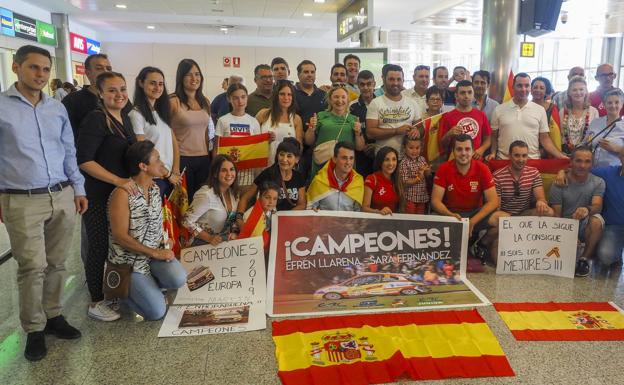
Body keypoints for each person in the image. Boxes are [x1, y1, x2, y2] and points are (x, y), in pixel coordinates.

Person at [0, 45, 87, 362]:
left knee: (57, 262)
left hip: (61, 193)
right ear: (16, 67)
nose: (40, 74)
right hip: (22, 198)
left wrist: (78, 188)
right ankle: (34, 329)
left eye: (45, 69)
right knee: (32, 266)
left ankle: (53, 315)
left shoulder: (56, 109)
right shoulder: (2, 107)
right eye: (33, 68)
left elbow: (68, 151)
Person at [77, 72, 137, 322]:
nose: (119, 94)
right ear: (100, 93)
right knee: (98, 247)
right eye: (112, 90)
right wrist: (117, 181)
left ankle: (113, 291)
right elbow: (85, 161)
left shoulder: (123, 118)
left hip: (120, 196)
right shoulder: (96, 119)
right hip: (99, 195)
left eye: (122, 89)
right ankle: (96, 300)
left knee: (117, 246)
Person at [108, 141, 186, 320]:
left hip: (150, 257)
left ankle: (150, 286)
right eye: (157, 159)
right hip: (129, 265)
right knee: (157, 312)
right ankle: (122, 294)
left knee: (179, 278)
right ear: (143, 166)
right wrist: (155, 253)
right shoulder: (122, 194)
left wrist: (164, 242)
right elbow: (120, 236)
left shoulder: (155, 189)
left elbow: (156, 225)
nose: (162, 163)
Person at [486, 141, 555, 264]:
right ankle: (488, 242)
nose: (521, 159)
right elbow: (497, 209)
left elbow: (541, 198)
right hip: (505, 220)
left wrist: (541, 202)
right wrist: (510, 225)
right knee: (500, 262)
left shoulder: (534, 173)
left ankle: (537, 244)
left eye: (524, 156)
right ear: (509, 156)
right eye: (517, 155)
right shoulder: (497, 176)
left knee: (548, 211)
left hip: (524, 217)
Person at [431, 134, 499, 241]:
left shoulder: (483, 168)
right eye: (459, 149)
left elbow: (494, 201)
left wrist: (472, 222)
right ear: (453, 151)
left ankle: (480, 245)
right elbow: (435, 201)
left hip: (475, 215)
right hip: (452, 215)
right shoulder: (443, 168)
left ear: (472, 151)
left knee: (502, 219)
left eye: (467, 149)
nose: (463, 153)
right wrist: (450, 215)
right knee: (428, 221)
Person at [549, 146, 605, 277]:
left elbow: (597, 206)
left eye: (587, 161)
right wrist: (568, 235)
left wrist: (587, 209)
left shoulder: (598, 182)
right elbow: (556, 216)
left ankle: (584, 259)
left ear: (592, 163)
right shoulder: (559, 182)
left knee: (597, 220)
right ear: (571, 162)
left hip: (584, 225)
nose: (582, 165)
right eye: (578, 161)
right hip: (563, 226)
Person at [129, 66, 181, 199]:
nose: (157, 88)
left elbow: (172, 141)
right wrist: (167, 174)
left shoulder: (160, 112)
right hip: (154, 178)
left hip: (168, 177)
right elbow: (142, 152)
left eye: (160, 84)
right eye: (152, 83)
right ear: (141, 83)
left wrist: (175, 170)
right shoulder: (136, 114)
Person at [489, 73, 567, 160]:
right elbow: (493, 136)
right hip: (504, 161)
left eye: (527, 86)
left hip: (532, 162)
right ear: (513, 87)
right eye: (519, 86)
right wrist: (493, 152)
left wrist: (560, 156)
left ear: (530, 88)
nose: (523, 89)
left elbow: (544, 138)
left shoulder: (540, 110)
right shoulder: (498, 110)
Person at [169, 58, 213, 201]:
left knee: (201, 202)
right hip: (182, 159)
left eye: (197, 74)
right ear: (181, 77)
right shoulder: (173, 101)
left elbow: (207, 132)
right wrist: (174, 167)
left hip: (204, 159)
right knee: (184, 204)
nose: (194, 78)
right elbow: (166, 133)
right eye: (189, 74)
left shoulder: (205, 101)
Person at [305, 84, 365, 176]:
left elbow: (360, 147)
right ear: (330, 99)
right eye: (336, 97)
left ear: (347, 100)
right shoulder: (320, 116)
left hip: (346, 166)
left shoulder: (354, 119)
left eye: (343, 97)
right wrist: (311, 129)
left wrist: (358, 133)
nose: (340, 100)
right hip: (323, 164)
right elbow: (309, 142)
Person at [183, 155, 240, 246]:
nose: (229, 174)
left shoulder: (234, 194)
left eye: (232, 169)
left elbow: (231, 219)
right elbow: (186, 221)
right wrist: (209, 238)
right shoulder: (206, 194)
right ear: (215, 174)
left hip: (223, 243)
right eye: (224, 170)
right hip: (201, 244)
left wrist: (234, 233)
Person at [237, 138, 306, 214]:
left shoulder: (299, 177)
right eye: (281, 154)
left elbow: (302, 204)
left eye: (289, 156)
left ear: (297, 159)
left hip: (289, 221)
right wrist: (239, 218)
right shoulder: (267, 174)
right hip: (268, 221)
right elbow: (246, 198)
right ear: (277, 156)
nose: (284, 159)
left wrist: (284, 217)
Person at [214, 83, 262, 190]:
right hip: (227, 172)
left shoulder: (253, 121)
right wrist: (216, 169)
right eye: (235, 98)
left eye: (243, 97)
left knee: (244, 203)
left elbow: (257, 148)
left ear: (247, 98)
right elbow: (216, 148)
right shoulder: (223, 120)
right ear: (229, 99)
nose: (240, 101)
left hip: (247, 173)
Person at [366, 64, 420, 154]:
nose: (395, 83)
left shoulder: (412, 103)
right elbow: (370, 133)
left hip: (408, 158)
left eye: (399, 79)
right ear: (384, 80)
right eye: (391, 79)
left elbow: (420, 127)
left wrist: (416, 131)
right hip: (384, 159)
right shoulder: (375, 103)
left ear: (403, 80)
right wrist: (396, 131)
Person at [62, 53, 113, 138]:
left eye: (109, 68)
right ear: (88, 73)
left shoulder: (118, 98)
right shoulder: (72, 101)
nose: (105, 72)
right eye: (99, 68)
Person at [438, 80, 491, 160]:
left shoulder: (481, 115)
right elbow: (442, 144)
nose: (466, 96)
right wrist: (449, 134)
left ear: (473, 94)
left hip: (476, 160)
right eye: (462, 93)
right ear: (456, 96)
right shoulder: (447, 116)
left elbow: (488, 138)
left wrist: (481, 150)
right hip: (455, 161)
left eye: (469, 92)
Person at [257, 80, 304, 167]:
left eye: (289, 94)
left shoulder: (296, 119)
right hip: (264, 165)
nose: (286, 98)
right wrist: (264, 140)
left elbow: (299, 148)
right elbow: (251, 140)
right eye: (282, 94)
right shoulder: (263, 114)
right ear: (276, 96)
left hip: (287, 167)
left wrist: (290, 147)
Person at [307, 141, 364, 211]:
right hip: (324, 222)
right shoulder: (319, 181)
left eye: (351, 158)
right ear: (334, 159)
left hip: (348, 222)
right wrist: (313, 210)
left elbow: (358, 213)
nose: (348, 162)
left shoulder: (358, 182)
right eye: (344, 158)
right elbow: (310, 209)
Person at [294, 60, 327, 180]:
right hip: (300, 148)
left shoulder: (324, 95)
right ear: (298, 75)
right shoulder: (291, 94)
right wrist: (302, 135)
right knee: (300, 182)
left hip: (321, 147)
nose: (310, 75)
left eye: (312, 72)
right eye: (306, 72)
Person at [592, 154, 624, 271]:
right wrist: (561, 172)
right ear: (621, 157)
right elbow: (580, 168)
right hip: (614, 226)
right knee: (605, 256)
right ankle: (616, 253)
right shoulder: (609, 172)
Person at [584, 88, 624, 167]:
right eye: (609, 103)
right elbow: (585, 142)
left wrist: (618, 149)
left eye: (617, 102)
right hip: (592, 170)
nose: (613, 105)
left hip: (613, 173)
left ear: (622, 104)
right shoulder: (595, 123)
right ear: (604, 105)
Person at [560, 76, 599, 155]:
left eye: (581, 89)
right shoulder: (563, 112)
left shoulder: (593, 112)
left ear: (586, 92)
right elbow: (560, 135)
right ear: (569, 93)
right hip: (565, 155)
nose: (578, 93)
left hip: (585, 156)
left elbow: (595, 135)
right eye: (574, 90)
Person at [350, 70, 377, 177]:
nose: (366, 87)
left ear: (374, 84)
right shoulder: (351, 107)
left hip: (379, 151)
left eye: (369, 84)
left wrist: (377, 145)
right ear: (358, 85)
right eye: (362, 84)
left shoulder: (382, 103)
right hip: (359, 155)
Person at [362, 146, 403, 215]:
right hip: (375, 222)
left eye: (394, 159)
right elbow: (364, 208)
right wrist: (379, 212)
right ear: (380, 162)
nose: (391, 163)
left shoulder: (398, 178)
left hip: (393, 223)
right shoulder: (372, 179)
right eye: (386, 160)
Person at [399, 136, 430, 214]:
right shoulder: (404, 162)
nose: (414, 151)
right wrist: (418, 178)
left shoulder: (422, 159)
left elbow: (428, 175)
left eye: (417, 148)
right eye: (411, 148)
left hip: (422, 197)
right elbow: (404, 182)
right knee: (410, 220)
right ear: (404, 148)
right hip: (409, 198)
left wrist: (427, 170)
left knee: (420, 221)